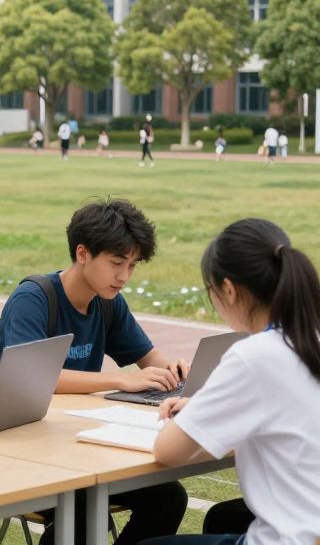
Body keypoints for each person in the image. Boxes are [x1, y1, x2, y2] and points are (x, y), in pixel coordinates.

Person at [0, 199, 188, 545]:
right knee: (81, 510)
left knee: (168, 496)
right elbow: (31, 379)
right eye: (116, 263)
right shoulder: (33, 298)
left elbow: (150, 360)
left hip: (76, 443)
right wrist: (120, 379)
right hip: (19, 448)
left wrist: (173, 370)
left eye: (132, 266)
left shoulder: (108, 303)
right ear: (83, 253)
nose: (124, 276)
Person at [149, 219, 320, 545]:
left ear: (228, 289)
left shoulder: (254, 355)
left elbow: (167, 451)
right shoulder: (308, 339)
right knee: (223, 518)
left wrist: (198, 412)